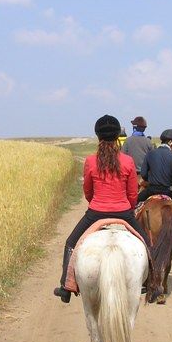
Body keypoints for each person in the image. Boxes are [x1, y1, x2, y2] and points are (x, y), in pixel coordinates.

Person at [53, 115, 152, 303]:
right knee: (147, 243)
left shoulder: (91, 161)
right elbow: (132, 194)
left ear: (98, 136)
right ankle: (152, 284)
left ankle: (66, 288)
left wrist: (96, 203)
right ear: (117, 137)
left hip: (96, 213)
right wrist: (128, 209)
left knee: (71, 243)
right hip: (124, 212)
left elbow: (88, 192)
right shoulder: (127, 161)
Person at [138, 128, 172, 207]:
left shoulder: (150, 153)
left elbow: (143, 174)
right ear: (170, 142)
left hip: (151, 190)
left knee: (135, 205)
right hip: (167, 192)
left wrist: (151, 179)